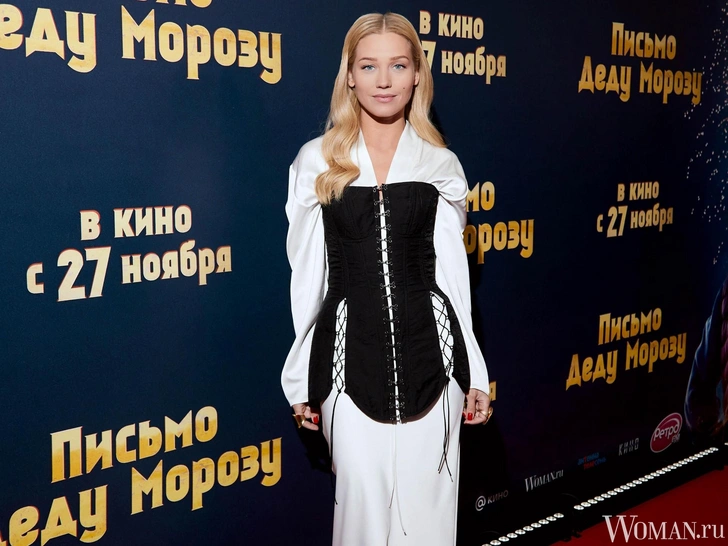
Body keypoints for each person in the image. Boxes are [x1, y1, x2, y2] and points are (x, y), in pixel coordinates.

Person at [281, 12, 491, 546]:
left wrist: (475, 372)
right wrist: (300, 376)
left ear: (417, 75)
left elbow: (453, 279)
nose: (383, 80)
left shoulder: (439, 164)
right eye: (369, 66)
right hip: (345, 368)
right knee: (362, 521)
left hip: (436, 365)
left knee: (430, 522)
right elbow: (307, 278)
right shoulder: (316, 162)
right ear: (349, 76)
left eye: (398, 65)